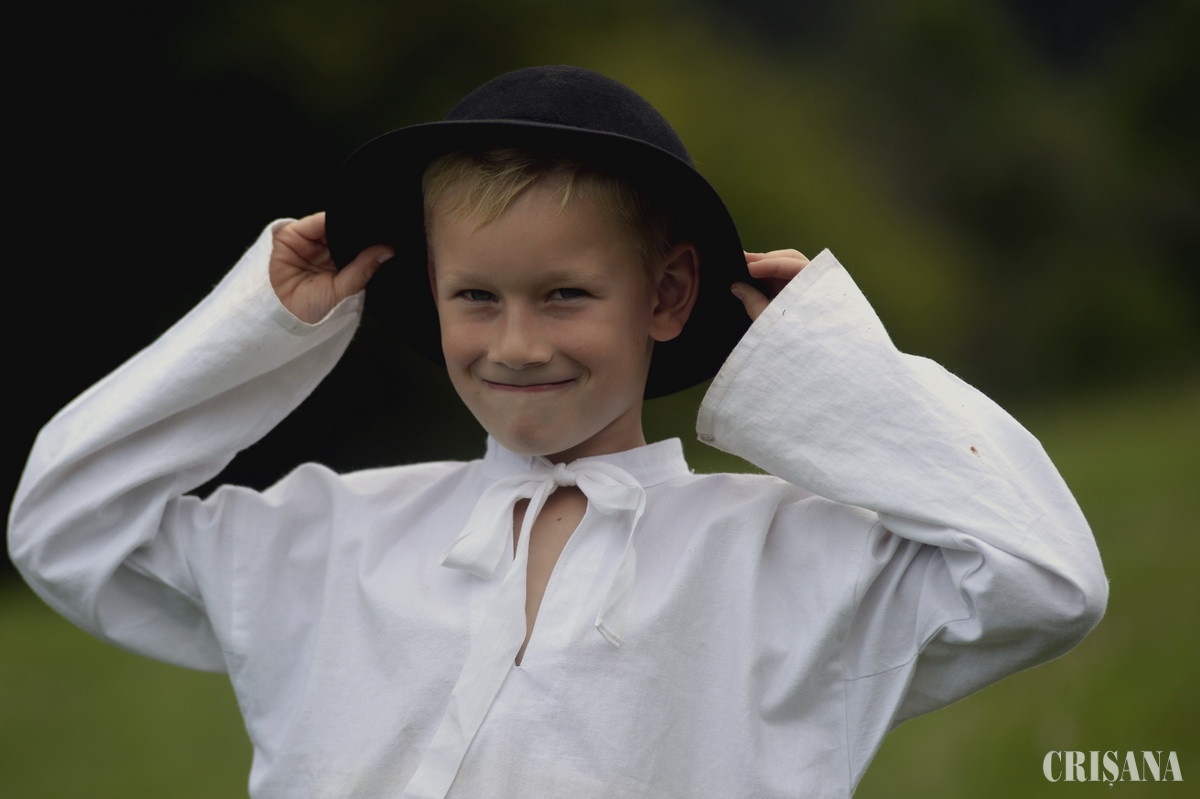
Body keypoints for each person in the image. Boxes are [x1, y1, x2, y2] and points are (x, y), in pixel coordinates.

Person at [7, 65, 1107, 798]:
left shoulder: (782, 556)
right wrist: (254, 329)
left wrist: (824, 356)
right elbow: (63, 524)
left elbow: (1048, 579)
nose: (517, 343)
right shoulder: (324, 536)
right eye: (476, 297)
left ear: (667, 296)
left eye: (566, 295)